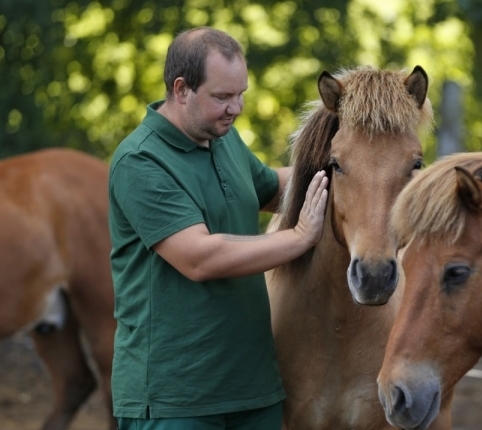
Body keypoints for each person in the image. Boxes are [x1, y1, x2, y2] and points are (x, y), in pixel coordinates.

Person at [108, 27, 328, 430]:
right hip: (176, 400)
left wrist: (351, 173)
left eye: (241, 93)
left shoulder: (223, 139)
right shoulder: (139, 162)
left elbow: (275, 189)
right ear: (181, 89)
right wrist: (298, 238)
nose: (236, 107)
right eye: (223, 97)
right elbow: (199, 257)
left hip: (254, 390)